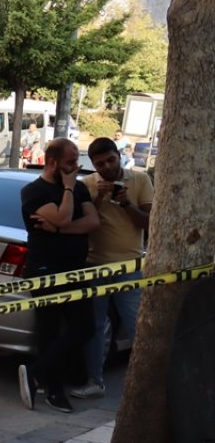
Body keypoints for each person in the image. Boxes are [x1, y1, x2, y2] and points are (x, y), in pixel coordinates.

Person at [63, 137, 152, 399]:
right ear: (93, 165)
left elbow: (148, 222)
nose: (106, 167)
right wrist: (100, 197)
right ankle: (95, 381)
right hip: (95, 266)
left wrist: (125, 203)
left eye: (110, 160)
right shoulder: (88, 185)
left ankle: (147, 385)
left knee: (138, 326)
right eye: (99, 164)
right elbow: (82, 221)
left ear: (119, 155)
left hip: (130, 266)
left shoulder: (140, 180)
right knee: (95, 327)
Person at [17, 138, 100, 413]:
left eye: (77, 161)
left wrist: (58, 229)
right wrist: (66, 189)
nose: (76, 167)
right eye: (70, 162)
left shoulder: (78, 188)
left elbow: (92, 222)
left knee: (84, 326)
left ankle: (35, 372)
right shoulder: (33, 192)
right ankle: (53, 391)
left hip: (75, 267)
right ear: (52, 162)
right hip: (45, 268)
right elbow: (64, 217)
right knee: (49, 330)